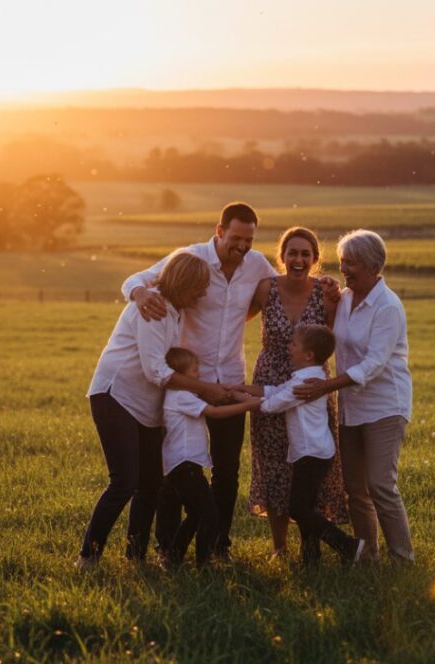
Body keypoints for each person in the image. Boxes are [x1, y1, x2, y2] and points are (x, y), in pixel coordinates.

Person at [121, 202, 277, 560]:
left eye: (249, 239)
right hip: (185, 381)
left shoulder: (256, 264)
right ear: (219, 231)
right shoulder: (190, 258)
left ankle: (217, 546)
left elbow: (280, 288)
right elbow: (135, 279)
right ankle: (167, 548)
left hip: (231, 379)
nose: (242, 246)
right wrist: (140, 294)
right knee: (176, 469)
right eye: (236, 238)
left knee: (227, 470)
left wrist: (325, 286)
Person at [76, 252, 224, 569]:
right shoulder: (154, 307)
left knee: (150, 484)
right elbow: (155, 371)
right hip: (115, 395)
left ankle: (135, 557)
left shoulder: (175, 310)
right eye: (198, 288)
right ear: (183, 283)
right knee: (124, 482)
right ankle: (88, 557)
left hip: (144, 406)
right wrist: (205, 389)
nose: (202, 295)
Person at [294, 230, 414, 563]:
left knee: (380, 486)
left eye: (353, 263)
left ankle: (403, 559)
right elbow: (332, 337)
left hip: (385, 406)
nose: (345, 269)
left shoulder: (387, 307)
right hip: (352, 408)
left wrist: (324, 387)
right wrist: (332, 298)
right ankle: (367, 556)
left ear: (374, 266)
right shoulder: (345, 298)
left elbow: (373, 364)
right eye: (343, 261)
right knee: (355, 490)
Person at [246, 226, 348, 557]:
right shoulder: (266, 289)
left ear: (316, 259)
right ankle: (279, 548)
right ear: (282, 256)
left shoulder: (325, 293)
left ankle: (311, 549)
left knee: (309, 465)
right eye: (293, 253)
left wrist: (336, 295)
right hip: (269, 381)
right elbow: (233, 318)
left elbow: (331, 336)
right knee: (274, 465)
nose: (299, 259)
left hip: (310, 387)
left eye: (306, 254)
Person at [238, 325, 363, 567]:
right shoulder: (304, 378)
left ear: (308, 355)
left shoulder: (305, 383)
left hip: (312, 453)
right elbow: (275, 391)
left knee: (297, 507)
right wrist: (243, 389)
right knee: (307, 506)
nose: (289, 347)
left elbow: (272, 404)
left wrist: (241, 401)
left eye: (294, 344)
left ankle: (347, 545)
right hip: (311, 452)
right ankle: (311, 558)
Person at [156, 347, 262, 567]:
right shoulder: (181, 396)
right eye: (194, 370)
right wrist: (248, 405)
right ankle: (203, 563)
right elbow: (214, 412)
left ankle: (173, 557)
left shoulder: (178, 395)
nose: (198, 375)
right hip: (185, 465)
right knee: (209, 514)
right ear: (181, 374)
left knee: (196, 513)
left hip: (183, 465)